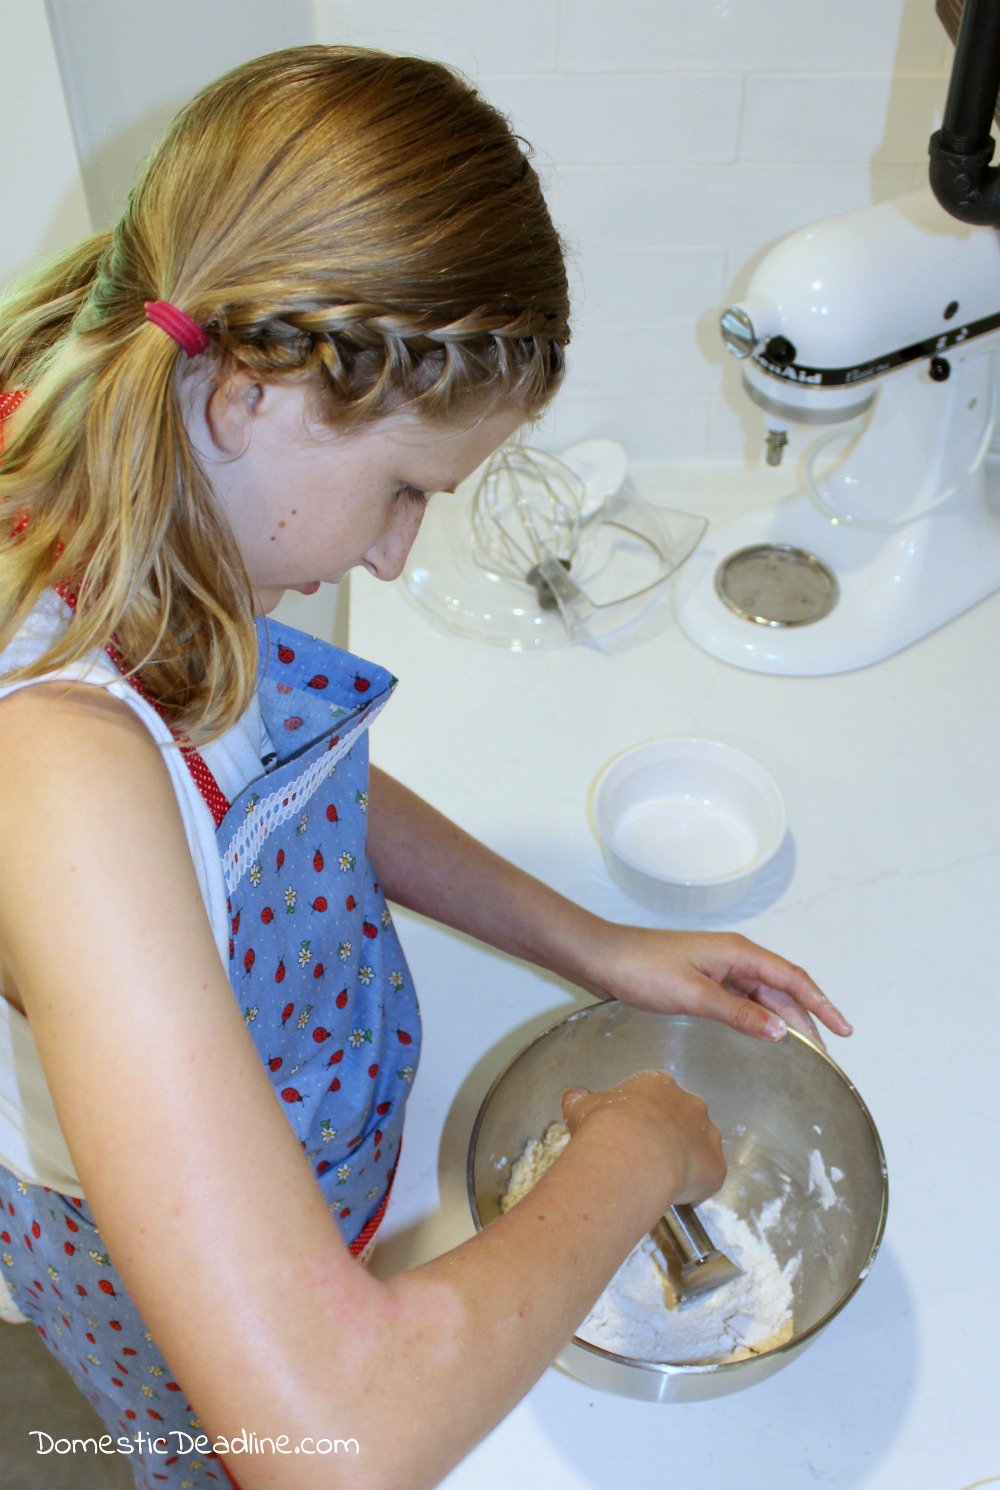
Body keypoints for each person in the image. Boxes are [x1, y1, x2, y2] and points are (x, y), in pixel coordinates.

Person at [0, 45, 850, 1490]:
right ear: (253, 392)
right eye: (405, 490)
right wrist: (638, 1147)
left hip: (301, 1132)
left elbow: (286, 788)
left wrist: (589, 939)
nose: (394, 552)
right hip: (167, 1298)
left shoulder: (137, 492)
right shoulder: (59, 776)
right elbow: (339, 1438)